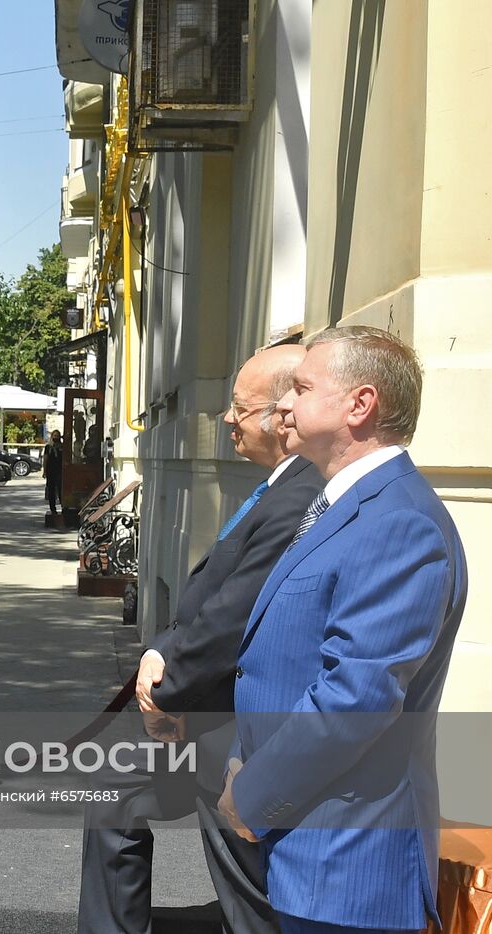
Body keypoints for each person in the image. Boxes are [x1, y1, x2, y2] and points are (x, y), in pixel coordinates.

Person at [220, 327, 467, 933]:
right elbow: (279, 657)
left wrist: (252, 795)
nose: (284, 404)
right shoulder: (340, 503)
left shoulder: (398, 523)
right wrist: (239, 761)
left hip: (348, 867)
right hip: (309, 848)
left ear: (360, 405)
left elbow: (355, 697)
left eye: (302, 388)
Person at [78, 344, 322, 934]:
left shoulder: (302, 495)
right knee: (113, 793)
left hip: (231, 725)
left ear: (283, 414)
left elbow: (235, 617)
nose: (228, 419)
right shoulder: (277, 486)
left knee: (248, 896)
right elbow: (208, 596)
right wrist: (160, 649)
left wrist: (169, 694)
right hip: (206, 706)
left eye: (241, 406)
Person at [43, 429, 64, 515]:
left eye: (57, 436)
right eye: (54, 436)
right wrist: (44, 471)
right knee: (51, 490)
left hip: (60, 471)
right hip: (51, 470)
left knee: (60, 489)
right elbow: (45, 459)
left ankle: (63, 507)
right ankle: (53, 509)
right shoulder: (48, 447)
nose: (56, 437)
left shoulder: (62, 447)